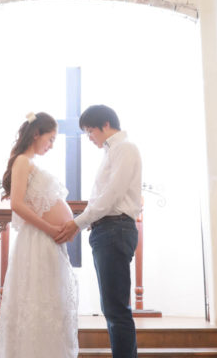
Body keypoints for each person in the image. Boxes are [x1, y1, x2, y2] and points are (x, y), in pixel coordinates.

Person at [55, 104, 142, 358]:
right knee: (113, 308)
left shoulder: (125, 148)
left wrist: (77, 223)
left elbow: (111, 196)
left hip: (115, 228)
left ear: (105, 124)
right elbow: (103, 198)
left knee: (116, 310)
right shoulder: (113, 151)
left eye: (90, 130)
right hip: (107, 230)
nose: (89, 137)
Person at [0, 111, 78, 358]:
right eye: (50, 139)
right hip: (39, 239)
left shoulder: (30, 163)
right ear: (36, 134)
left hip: (47, 242)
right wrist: (51, 228)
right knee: (38, 304)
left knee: (51, 306)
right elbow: (17, 204)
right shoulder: (22, 162)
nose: (51, 146)